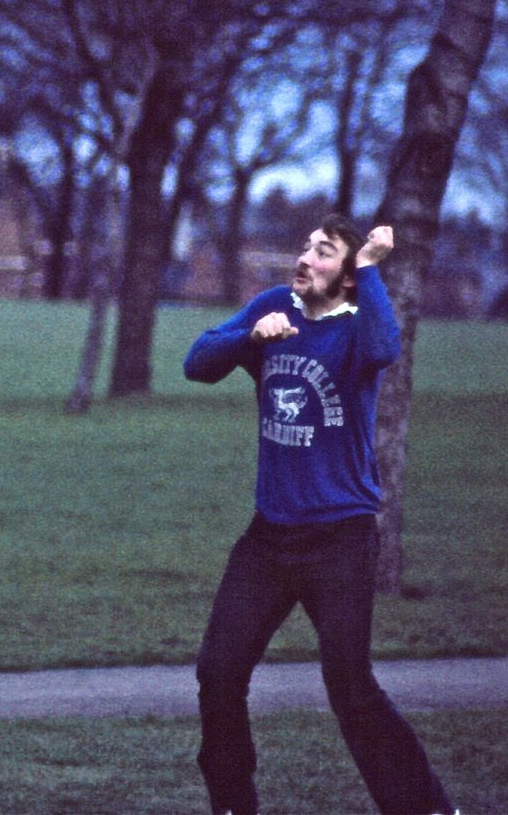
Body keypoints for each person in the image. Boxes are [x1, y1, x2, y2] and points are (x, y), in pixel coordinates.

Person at [183, 215, 454, 815]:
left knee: (351, 690)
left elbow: (386, 349)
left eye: (323, 253)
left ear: (349, 275)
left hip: (340, 538)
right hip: (269, 539)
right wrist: (250, 338)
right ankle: (233, 805)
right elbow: (196, 362)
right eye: (306, 246)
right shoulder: (276, 304)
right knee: (218, 671)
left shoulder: (359, 326)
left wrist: (371, 268)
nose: (304, 258)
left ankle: (426, 808)